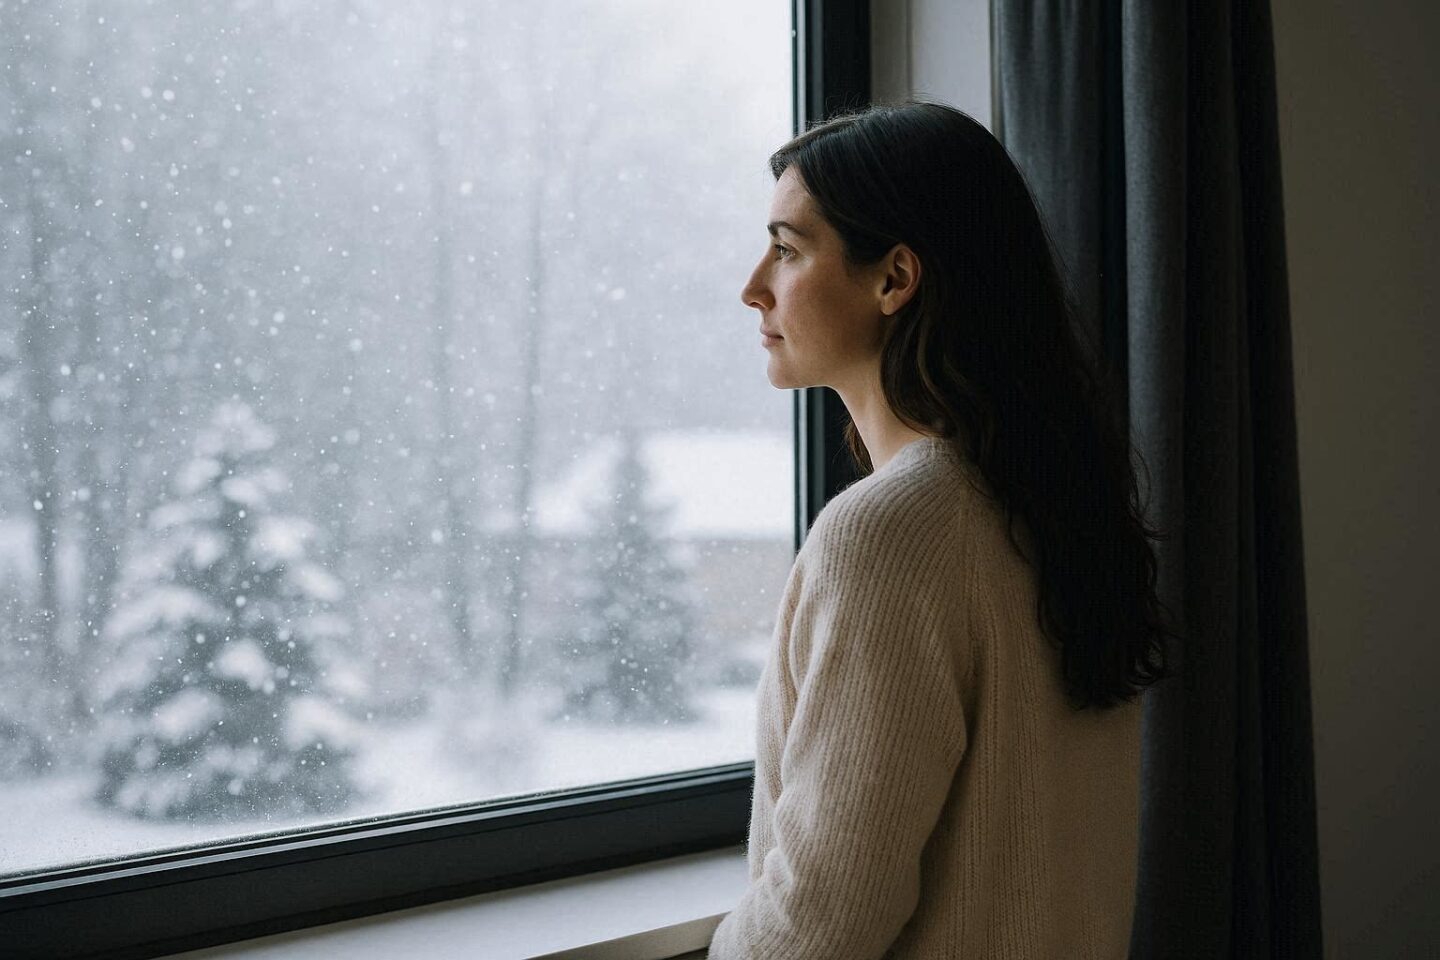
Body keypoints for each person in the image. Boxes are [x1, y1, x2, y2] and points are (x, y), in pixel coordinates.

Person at [707, 99, 1180, 959]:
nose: (753, 286)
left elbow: (820, 922)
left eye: (786, 249)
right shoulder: (1051, 497)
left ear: (894, 278)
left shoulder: (889, 534)